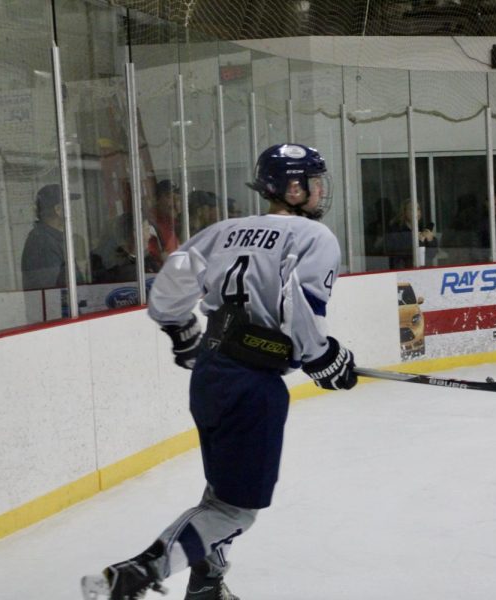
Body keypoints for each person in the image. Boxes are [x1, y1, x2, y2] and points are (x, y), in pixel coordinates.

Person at [80, 143, 357, 600]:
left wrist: (182, 333)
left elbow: (170, 289)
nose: (320, 190)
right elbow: (298, 306)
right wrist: (324, 358)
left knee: (221, 492)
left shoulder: (222, 231)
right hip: (253, 386)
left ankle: (206, 583)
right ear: (291, 187)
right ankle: (137, 573)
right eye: (313, 181)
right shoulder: (315, 239)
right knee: (235, 510)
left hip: (210, 374)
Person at [21, 184, 81, 290]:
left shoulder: (51, 238)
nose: (72, 212)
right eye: (68, 206)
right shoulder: (42, 242)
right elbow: (51, 292)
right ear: (58, 209)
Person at [383, 198, 438, 269]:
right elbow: (392, 248)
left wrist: (431, 240)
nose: (416, 212)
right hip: (400, 269)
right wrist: (414, 238)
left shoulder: (422, 228)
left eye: (418, 209)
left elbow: (431, 255)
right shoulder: (395, 228)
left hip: (421, 269)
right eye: (412, 209)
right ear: (404, 212)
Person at [149, 179, 182, 261]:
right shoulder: (150, 225)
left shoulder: (173, 222)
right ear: (157, 199)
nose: (175, 202)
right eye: (169, 197)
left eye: (177, 198)